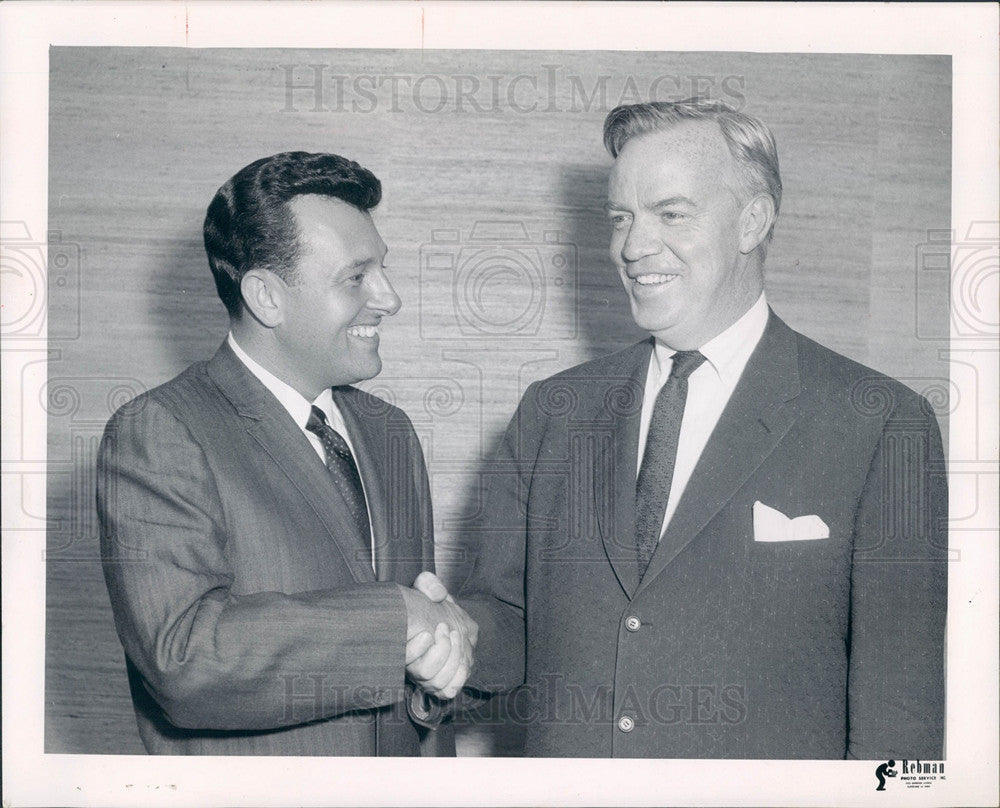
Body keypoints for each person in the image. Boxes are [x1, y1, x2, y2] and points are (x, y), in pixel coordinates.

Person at [452, 99, 947, 758]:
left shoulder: (881, 423)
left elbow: (900, 718)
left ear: (753, 220)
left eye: (671, 214)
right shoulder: (553, 411)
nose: (632, 246)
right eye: (620, 217)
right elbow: (507, 625)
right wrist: (439, 636)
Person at [97, 151, 476, 756]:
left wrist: (434, 678)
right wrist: (396, 620)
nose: (390, 298)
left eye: (383, 269)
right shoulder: (160, 430)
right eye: (357, 277)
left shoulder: (390, 432)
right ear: (266, 297)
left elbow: (417, 672)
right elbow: (182, 659)